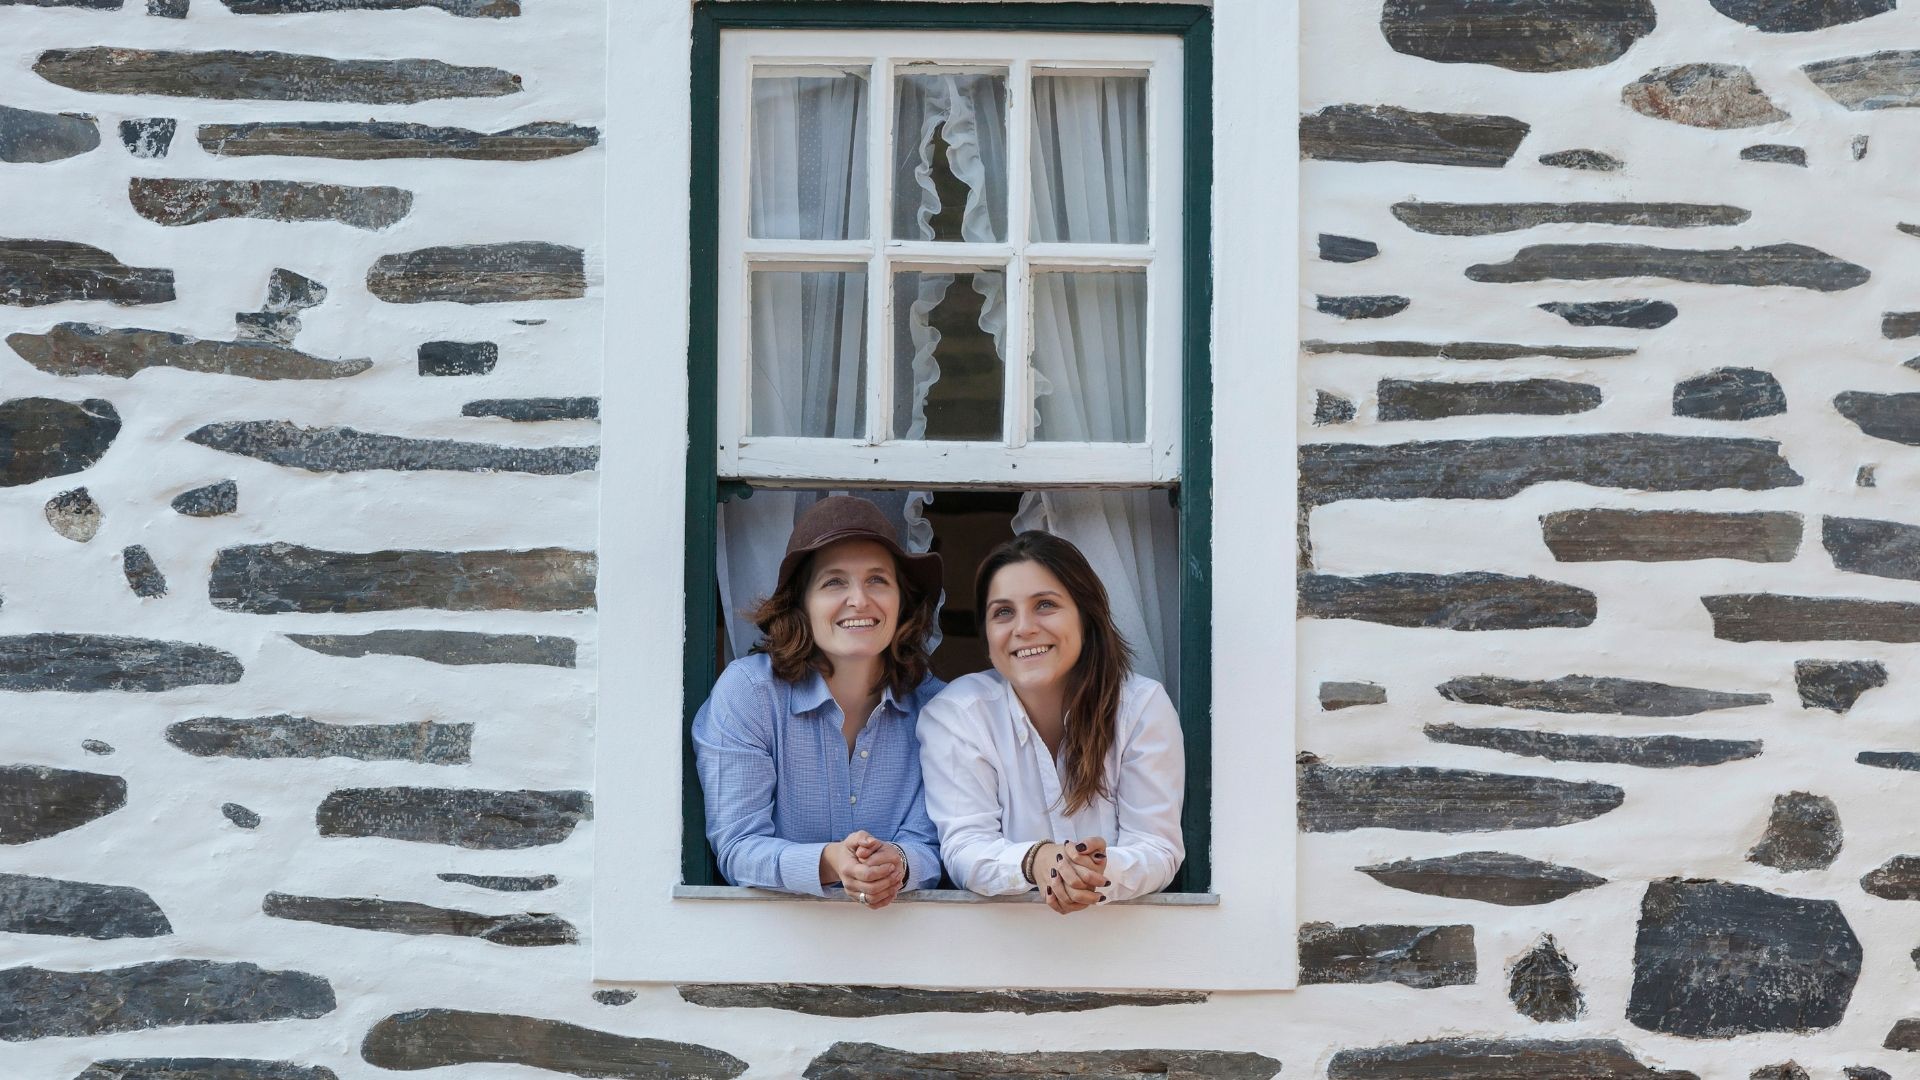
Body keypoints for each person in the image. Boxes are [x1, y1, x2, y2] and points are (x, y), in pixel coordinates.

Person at [693, 495, 946, 907]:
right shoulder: (749, 694)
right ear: (801, 605)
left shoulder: (939, 709)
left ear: (903, 602)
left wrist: (896, 863)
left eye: (878, 580)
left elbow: (933, 844)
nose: (860, 600)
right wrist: (829, 862)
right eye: (834, 582)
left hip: (904, 951)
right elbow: (737, 845)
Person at [917, 530, 1184, 912]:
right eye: (1003, 612)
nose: (1023, 627)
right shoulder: (958, 714)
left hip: (1124, 953)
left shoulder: (1140, 706)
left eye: (1045, 605)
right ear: (988, 636)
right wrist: (1037, 861)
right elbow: (964, 850)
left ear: (1086, 615)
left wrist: (1095, 871)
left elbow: (1158, 848)